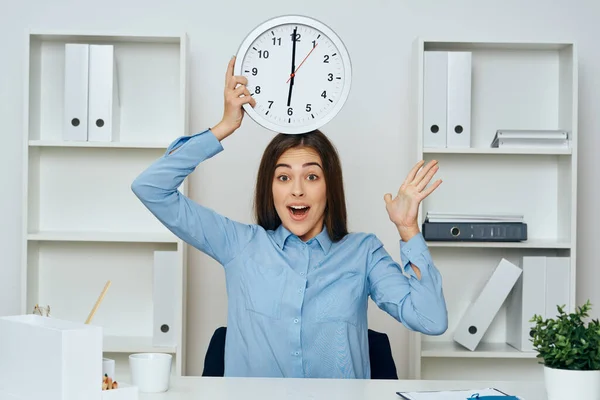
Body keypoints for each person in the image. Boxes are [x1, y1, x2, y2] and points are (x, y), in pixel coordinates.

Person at [131, 56, 448, 379]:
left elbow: (431, 320)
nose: (297, 190)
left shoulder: (363, 252)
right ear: (269, 189)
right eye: (283, 177)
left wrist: (408, 230)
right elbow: (150, 188)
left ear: (329, 187)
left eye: (311, 177)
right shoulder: (239, 244)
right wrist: (225, 126)